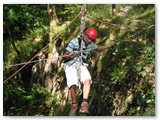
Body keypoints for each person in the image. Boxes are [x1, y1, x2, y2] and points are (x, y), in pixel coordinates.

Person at [63, 28, 115, 116]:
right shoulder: (74, 42)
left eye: (92, 40)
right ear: (85, 35)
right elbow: (65, 56)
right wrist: (69, 55)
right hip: (70, 63)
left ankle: (84, 103)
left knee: (88, 80)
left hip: (81, 64)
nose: (90, 41)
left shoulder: (90, 44)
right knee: (73, 84)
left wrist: (109, 46)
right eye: (89, 38)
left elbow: (98, 48)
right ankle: (74, 105)